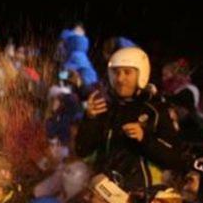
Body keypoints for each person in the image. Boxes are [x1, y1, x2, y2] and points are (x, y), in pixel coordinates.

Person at [74, 46, 186, 194]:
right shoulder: (103, 107)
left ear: (141, 74)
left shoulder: (157, 110)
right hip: (104, 192)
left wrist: (144, 138)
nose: (120, 79)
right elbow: (82, 150)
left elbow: (175, 158)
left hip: (141, 194)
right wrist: (90, 119)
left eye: (127, 72)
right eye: (115, 72)